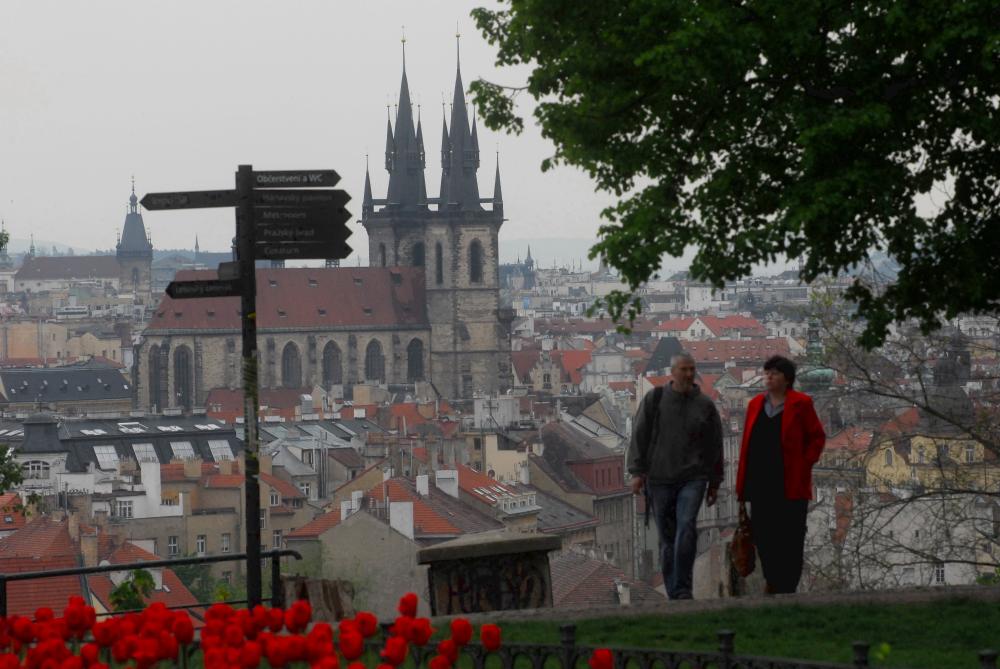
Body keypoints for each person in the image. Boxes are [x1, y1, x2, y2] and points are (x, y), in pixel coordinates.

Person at [629, 352, 723, 600]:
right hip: (659, 478)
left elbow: (715, 446)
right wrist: (637, 472)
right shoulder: (655, 399)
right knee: (667, 540)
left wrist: (715, 482)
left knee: (686, 527)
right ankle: (674, 590)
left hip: (693, 477)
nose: (689, 374)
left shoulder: (705, 405)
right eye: (684, 369)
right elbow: (640, 435)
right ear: (672, 372)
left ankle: (682, 589)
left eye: (692, 369)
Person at [735, 355, 826, 594]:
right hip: (760, 482)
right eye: (766, 373)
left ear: (787, 379)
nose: (768, 377)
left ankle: (787, 584)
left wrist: (805, 463)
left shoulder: (801, 403)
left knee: (791, 536)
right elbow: (747, 442)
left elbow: (817, 437)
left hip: (790, 483)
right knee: (763, 535)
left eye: (773, 373)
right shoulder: (755, 404)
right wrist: (743, 482)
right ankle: (773, 580)